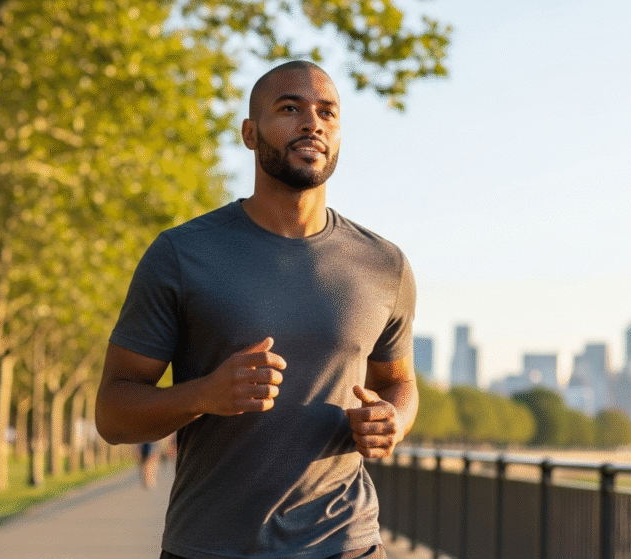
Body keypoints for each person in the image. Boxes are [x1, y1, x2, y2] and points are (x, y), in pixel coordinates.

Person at [96, 60, 417, 559]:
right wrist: (205, 393)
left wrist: (392, 418)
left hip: (346, 544)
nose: (312, 122)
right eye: (290, 109)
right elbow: (113, 413)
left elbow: (399, 381)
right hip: (209, 547)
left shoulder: (384, 264)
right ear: (250, 132)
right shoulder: (181, 254)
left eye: (327, 113)